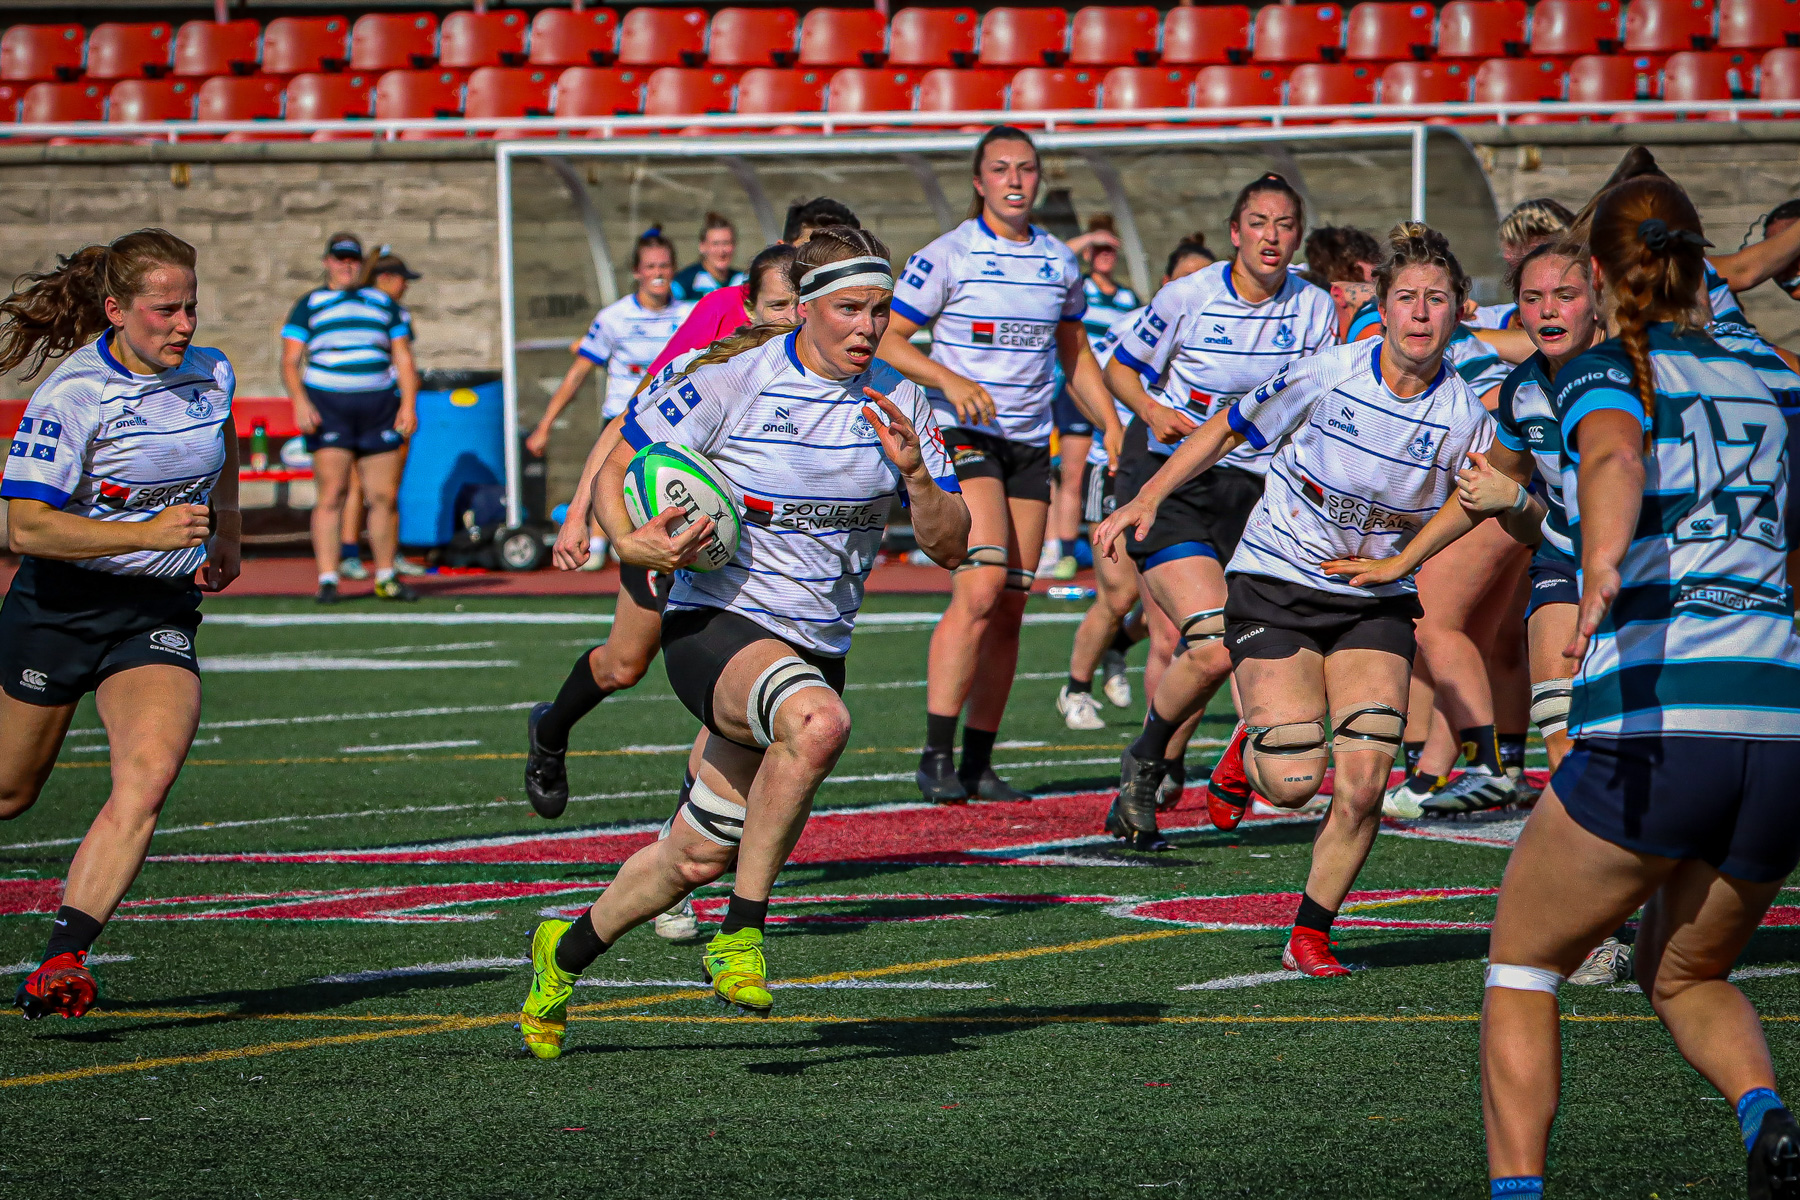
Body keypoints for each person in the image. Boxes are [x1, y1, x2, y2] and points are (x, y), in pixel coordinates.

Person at [517, 228, 969, 1056]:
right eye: (847, 309)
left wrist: (916, 476)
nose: (866, 327)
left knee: (689, 857)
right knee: (819, 724)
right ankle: (743, 931)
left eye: (879, 310)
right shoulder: (735, 383)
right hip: (714, 628)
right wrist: (629, 538)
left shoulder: (903, 404)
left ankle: (563, 953)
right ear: (804, 309)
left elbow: (949, 544)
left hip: (815, 647)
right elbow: (620, 455)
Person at [1478, 174, 1800, 1200]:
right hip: (1783, 726)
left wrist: (1602, 566)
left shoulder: (1609, 366)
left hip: (1664, 714)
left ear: (1603, 272)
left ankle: (1518, 1194)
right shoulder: (1768, 367)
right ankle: (1771, 1126)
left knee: (1522, 967)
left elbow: (1615, 448)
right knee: (1685, 970)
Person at [1102, 222, 1496, 976]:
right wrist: (1148, 497)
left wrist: (1406, 560)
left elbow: (1483, 502)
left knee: (1366, 778)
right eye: (1406, 298)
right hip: (1278, 580)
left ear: (1460, 311)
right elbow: (1225, 428)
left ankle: (1310, 933)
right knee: (1290, 784)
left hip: (1373, 600)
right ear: (1380, 305)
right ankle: (1241, 753)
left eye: (1437, 300)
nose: (1420, 314)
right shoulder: (1327, 373)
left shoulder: (1466, 414)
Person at [0, 229, 240, 1020]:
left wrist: (227, 529)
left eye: (191, 308)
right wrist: (145, 531)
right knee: (10, 792)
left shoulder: (212, 373)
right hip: (60, 608)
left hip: (155, 614)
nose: (183, 325)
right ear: (116, 309)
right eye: (165, 310)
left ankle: (63, 955)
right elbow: (25, 528)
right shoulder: (72, 396)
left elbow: (221, 446)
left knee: (148, 777)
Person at [881, 125, 1122, 805]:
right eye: (1001, 170)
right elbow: (892, 339)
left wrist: (1110, 422)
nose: (1016, 181)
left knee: (1012, 604)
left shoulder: (1058, 261)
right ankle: (933, 755)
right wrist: (947, 380)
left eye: (1026, 169)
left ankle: (978, 763)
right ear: (979, 182)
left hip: (1027, 443)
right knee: (981, 588)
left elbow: (1075, 354)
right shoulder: (947, 255)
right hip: (964, 435)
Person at [1101, 173, 1340, 849]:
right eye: (1258, 223)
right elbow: (1122, 368)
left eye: (1285, 224)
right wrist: (1153, 411)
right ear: (1236, 232)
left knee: (1260, 647)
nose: (1271, 236)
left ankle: (1208, 762)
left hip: (1255, 494)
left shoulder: (1316, 308)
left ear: (1298, 236)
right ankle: (1146, 765)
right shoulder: (1190, 295)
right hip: (1170, 481)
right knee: (1209, 645)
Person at [1059, 234, 1214, 734]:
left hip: (1195, 482)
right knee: (1120, 594)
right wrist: (1115, 431)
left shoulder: (1225, 333)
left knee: (1188, 607)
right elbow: (1084, 379)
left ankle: (1124, 651)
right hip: (1124, 472)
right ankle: (1076, 687)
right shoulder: (1134, 328)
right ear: (1167, 284)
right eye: (1185, 279)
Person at [526, 230, 690, 561]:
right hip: (624, 420)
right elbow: (577, 375)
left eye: (664, 265)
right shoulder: (614, 317)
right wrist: (545, 424)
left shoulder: (688, 315)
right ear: (637, 272)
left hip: (673, 422)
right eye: (650, 266)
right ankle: (596, 541)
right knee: (609, 491)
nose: (658, 273)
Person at [281, 231, 418, 604]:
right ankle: (328, 577)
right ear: (327, 262)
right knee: (333, 493)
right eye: (339, 259)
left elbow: (403, 357)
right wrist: (299, 402)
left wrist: (408, 404)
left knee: (383, 496)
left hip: (378, 406)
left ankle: (387, 575)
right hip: (330, 406)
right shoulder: (310, 304)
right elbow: (291, 360)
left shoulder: (382, 304)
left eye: (353, 260)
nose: (346, 266)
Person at [644, 198, 856, 381]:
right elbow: (657, 381)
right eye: (806, 251)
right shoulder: (720, 304)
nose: (817, 265)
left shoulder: (858, 316)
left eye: (833, 258)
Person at [1048, 215, 1139, 581]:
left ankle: (1111, 546)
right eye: (1097, 249)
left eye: (1110, 250)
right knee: (1072, 473)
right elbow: (1052, 262)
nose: (1104, 256)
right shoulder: (1079, 286)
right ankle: (1066, 551)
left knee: (1108, 467)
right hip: (1076, 390)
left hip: (1113, 397)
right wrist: (1088, 237)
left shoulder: (1129, 299)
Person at [339, 249, 426, 581]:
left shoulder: (366, 308)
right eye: (403, 280)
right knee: (367, 484)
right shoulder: (383, 311)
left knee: (375, 486)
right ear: (387, 279)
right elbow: (403, 362)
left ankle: (374, 554)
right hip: (379, 405)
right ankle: (357, 552)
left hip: (370, 405)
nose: (406, 288)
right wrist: (408, 403)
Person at [670, 212, 747, 303]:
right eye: (715, 244)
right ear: (702, 246)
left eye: (726, 243)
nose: (721, 251)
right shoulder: (684, 282)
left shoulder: (744, 280)